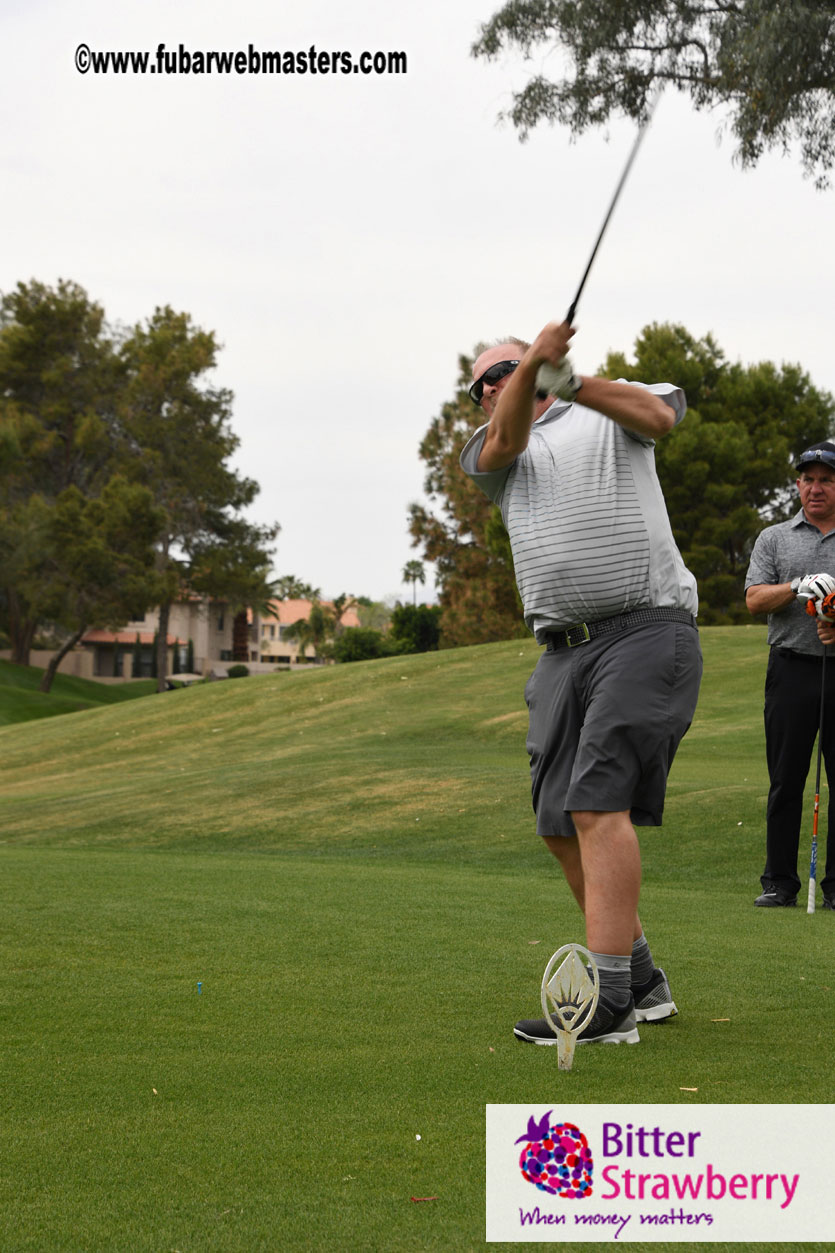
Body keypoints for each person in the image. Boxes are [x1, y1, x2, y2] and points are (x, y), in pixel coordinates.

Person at [459, 320, 702, 1046]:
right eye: (483, 383)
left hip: (644, 628)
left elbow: (659, 415)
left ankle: (611, 1003)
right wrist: (532, 362)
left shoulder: (604, 411)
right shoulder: (493, 451)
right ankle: (643, 978)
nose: (495, 383)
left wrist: (569, 381)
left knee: (596, 801)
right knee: (559, 822)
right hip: (560, 654)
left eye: (504, 368)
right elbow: (504, 439)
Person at [744, 442, 835, 908]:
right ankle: (779, 881)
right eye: (808, 479)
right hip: (790, 670)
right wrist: (798, 587)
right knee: (785, 780)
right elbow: (755, 599)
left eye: (826, 480)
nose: (815, 488)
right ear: (798, 485)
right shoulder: (774, 538)